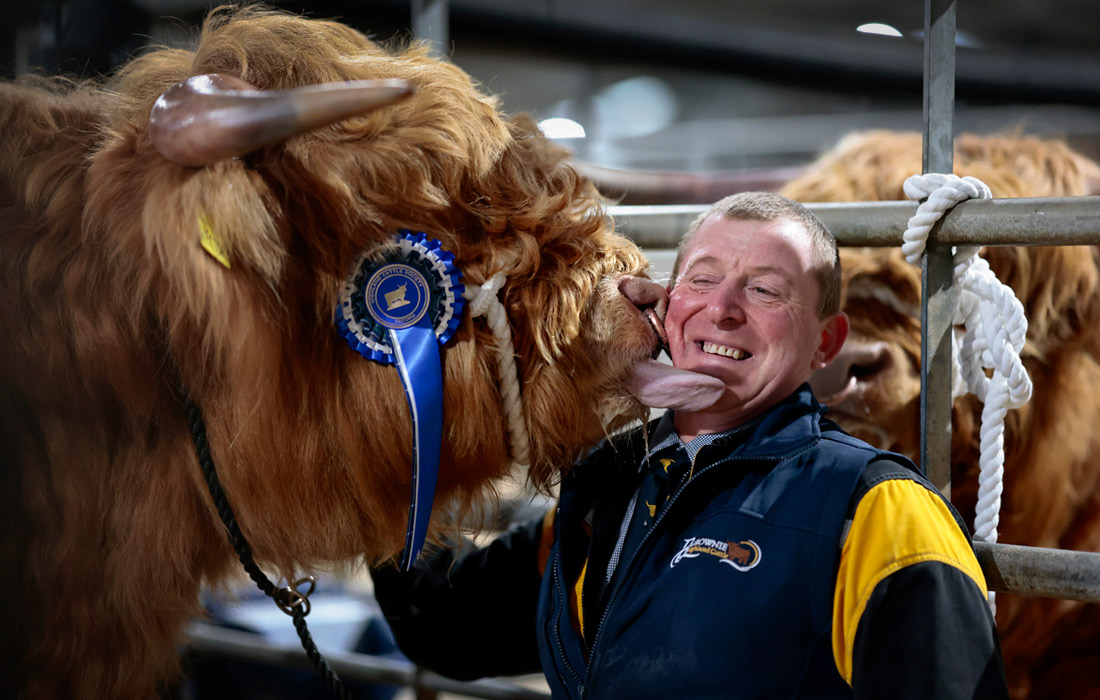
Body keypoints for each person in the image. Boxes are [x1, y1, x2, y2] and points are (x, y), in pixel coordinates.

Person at [371, 192, 1009, 699]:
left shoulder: (878, 509)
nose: (723, 309)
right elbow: (443, 626)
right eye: (701, 280)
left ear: (826, 342)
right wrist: (395, 430)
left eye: (765, 289)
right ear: (665, 305)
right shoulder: (613, 484)